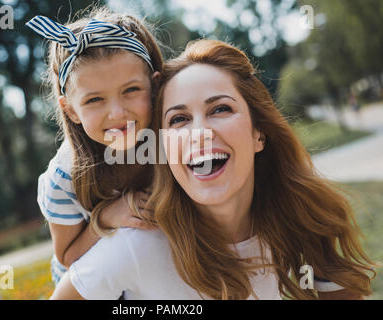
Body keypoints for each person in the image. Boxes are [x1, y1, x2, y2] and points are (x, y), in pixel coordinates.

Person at [51, 39, 376, 300]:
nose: (199, 133)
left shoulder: (302, 221)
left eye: (220, 109)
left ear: (257, 133)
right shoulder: (136, 245)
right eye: (178, 119)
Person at [26, 6, 163, 283]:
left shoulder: (175, 144)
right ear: (71, 111)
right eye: (94, 100)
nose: (117, 113)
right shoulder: (64, 177)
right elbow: (67, 256)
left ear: (155, 86)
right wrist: (107, 217)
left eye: (131, 90)